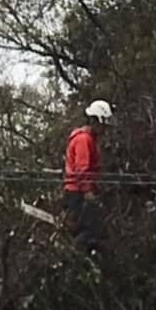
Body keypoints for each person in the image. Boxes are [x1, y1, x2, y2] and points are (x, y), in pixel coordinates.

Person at [63, 99, 112, 246]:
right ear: (95, 121)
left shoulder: (88, 139)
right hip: (77, 193)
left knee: (85, 230)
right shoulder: (83, 140)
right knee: (91, 230)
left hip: (77, 191)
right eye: (103, 124)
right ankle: (72, 258)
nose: (104, 129)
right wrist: (87, 192)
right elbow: (81, 169)